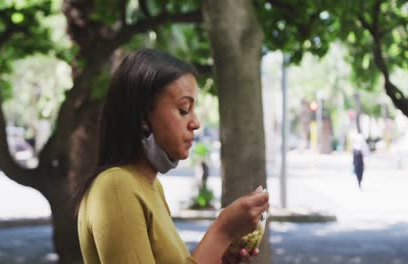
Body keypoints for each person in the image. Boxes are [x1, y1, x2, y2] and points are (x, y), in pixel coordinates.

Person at [75, 49, 269, 264]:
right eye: (184, 109)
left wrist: (219, 256)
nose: (195, 123)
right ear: (142, 116)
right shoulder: (116, 187)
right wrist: (222, 231)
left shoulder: (151, 186)